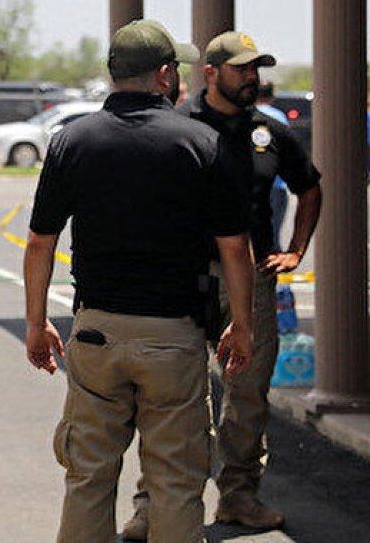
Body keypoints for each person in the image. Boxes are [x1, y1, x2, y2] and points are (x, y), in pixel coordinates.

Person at [24, 19, 255, 543]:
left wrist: (37, 325)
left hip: (95, 332)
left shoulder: (71, 141)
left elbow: (41, 242)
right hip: (173, 336)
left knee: (88, 476)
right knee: (175, 480)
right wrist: (242, 325)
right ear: (166, 74)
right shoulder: (201, 142)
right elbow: (234, 248)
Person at [121, 32, 322, 539]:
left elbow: (310, 186)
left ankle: (239, 497)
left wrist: (296, 249)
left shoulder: (268, 131)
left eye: (256, 69)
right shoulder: (177, 126)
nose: (252, 78)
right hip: (184, 280)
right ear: (210, 73)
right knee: (172, 394)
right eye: (242, 69)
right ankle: (151, 505)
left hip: (250, 283)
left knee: (248, 394)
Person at [254, 83, 291, 250]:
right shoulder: (278, 117)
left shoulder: (247, 116)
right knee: (273, 232)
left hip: (254, 184)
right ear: (271, 97)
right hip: (277, 183)